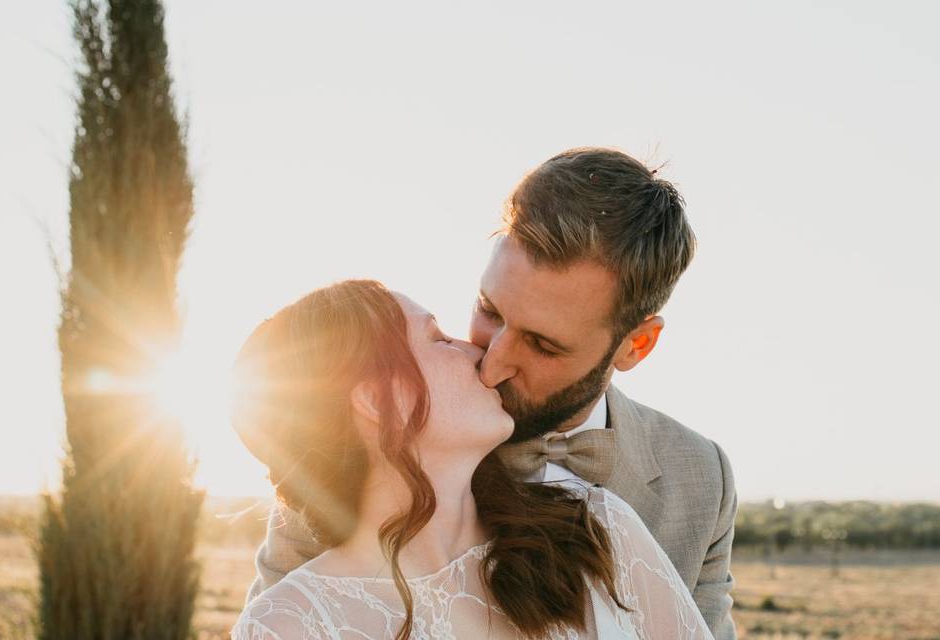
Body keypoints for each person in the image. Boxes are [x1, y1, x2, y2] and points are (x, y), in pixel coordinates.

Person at [247, 148, 738, 638]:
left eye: (542, 345)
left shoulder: (697, 480)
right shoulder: (353, 469)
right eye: (490, 311)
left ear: (635, 345)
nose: (491, 361)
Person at [230, 279, 713, 639]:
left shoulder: (599, 531)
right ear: (379, 401)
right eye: (439, 339)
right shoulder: (287, 624)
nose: (478, 352)